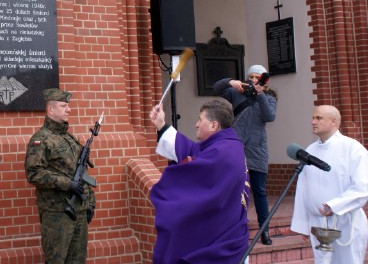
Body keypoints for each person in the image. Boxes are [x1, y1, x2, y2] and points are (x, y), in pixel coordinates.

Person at [149, 99, 250, 264]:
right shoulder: (224, 146)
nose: (196, 124)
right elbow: (191, 150)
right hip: (225, 234)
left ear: (213, 125)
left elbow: (197, 178)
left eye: (200, 119)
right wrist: (161, 124)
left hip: (222, 246)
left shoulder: (223, 152)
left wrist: (165, 192)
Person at [24, 88, 96, 264]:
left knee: (78, 260)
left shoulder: (70, 139)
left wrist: (90, 201)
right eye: (64, 106)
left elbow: (82, 172)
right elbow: (34, 173)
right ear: (51, 110)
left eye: (68, 106)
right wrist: (67, 184)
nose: (68, 109)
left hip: (79, 211)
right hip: (57, 214)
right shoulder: (41, 140)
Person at [290, 105, 368, 264]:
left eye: (318, 118)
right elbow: (303, 190)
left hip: (346, 221)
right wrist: (303, 224)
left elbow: (362, 187)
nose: (313, 121)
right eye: (313, 117)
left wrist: (333, 205)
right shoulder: (310, 151)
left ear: (333, 121)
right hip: (318, 223)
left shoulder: (352, 148)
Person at [213, 64, 277, 245]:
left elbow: (269, 116)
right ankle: (232, 228)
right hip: (236, 147)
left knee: (259, 191)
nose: (255, 80)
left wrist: (260, 94)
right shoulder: (237, 93)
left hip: (257, 149)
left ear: (264, 80)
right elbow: (217, 88)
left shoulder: (269, 97)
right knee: (234, 189)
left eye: (258, 78)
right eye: (252, 77)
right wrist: (230, 82)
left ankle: (264, 231)